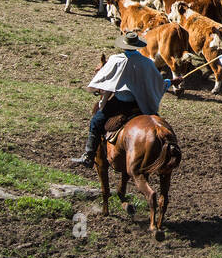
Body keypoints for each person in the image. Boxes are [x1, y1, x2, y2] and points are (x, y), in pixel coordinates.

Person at [69, 31, 168, 168]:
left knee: (96, 122)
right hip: (140, 104)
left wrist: (102, 100)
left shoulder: (116, 60)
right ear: (138, 46)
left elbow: (107, 83)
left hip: (119, 104)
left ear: (124, 45)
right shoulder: (147, 63)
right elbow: (157, 82)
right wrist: (169, 82)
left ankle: (89, 155)